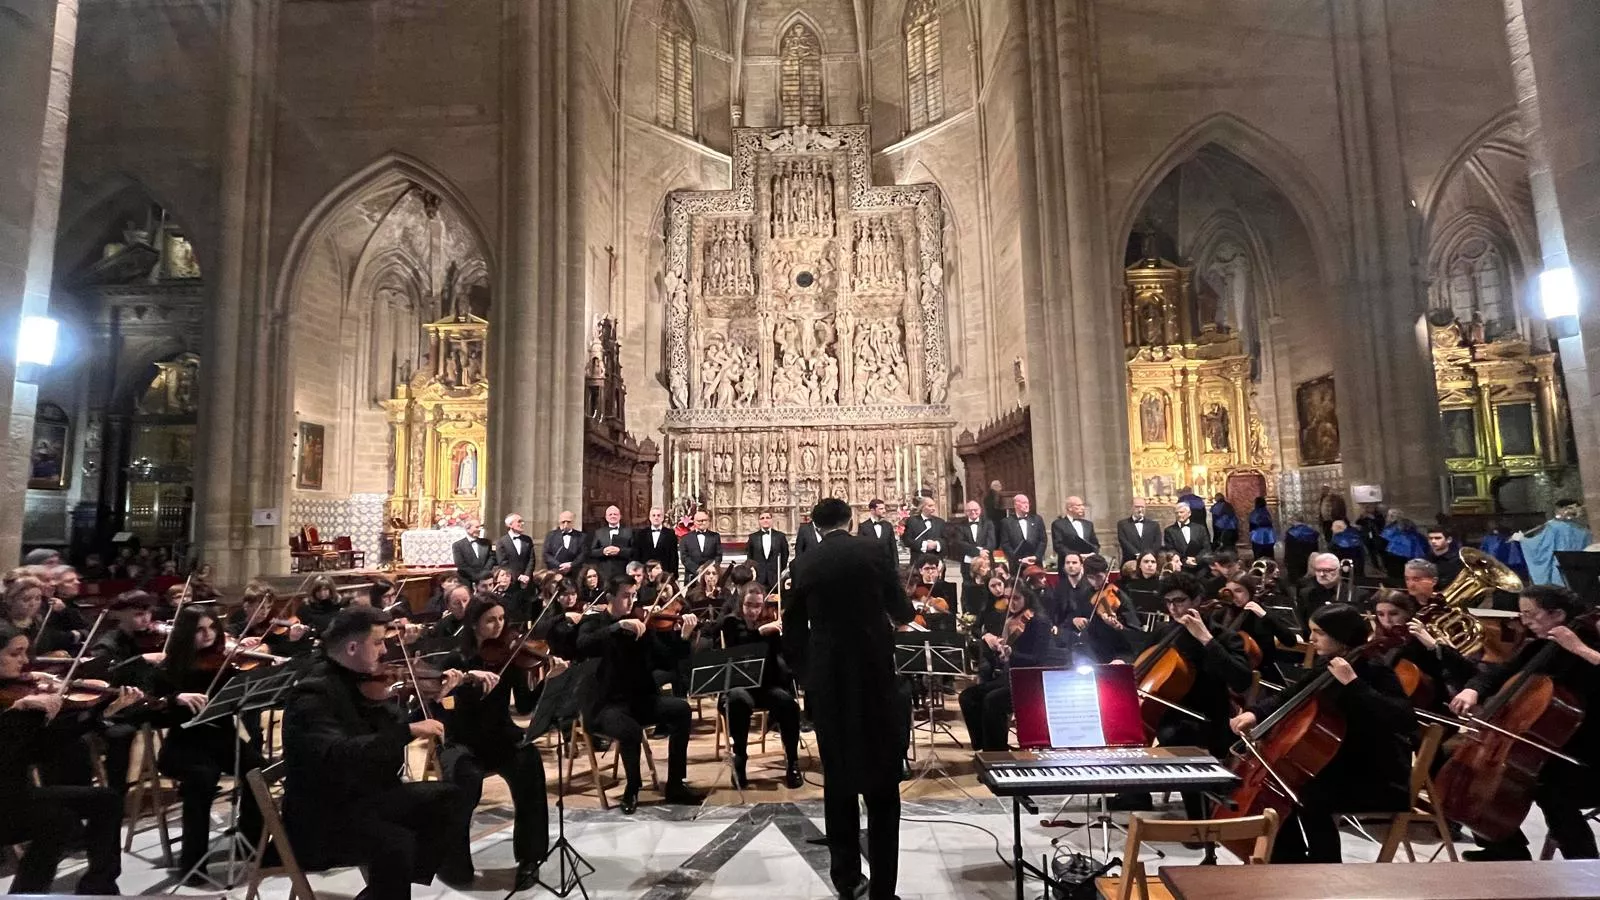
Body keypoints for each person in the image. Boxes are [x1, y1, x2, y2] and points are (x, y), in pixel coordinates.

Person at [282, 605, 474, 898]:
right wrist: (407, 731)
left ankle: (384, 890)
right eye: (378, 642)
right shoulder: (313, 693)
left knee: (449, 797)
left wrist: (425, 702)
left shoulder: (363, 681)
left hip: (365, 798)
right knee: (397, 843)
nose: (385, 651)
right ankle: (388, 888)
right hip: (323, 817)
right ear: (352, 647)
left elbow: (389, 740)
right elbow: (338, 754)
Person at [783, 497, 913, 900]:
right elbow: (902, 609)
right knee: (882, 786)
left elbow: (792, 629)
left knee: (838, 782)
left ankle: (847, 881)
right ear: (850, 519)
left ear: (815, 526)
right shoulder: (873, 550)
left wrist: (808, 675)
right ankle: (885, 890)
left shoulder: (805, 562)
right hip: (874, 678)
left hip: (830, 683)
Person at [1229, 603, 1416, 863]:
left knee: (1307, 795)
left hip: (1375, 775)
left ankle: (1324, 866)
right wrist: (1256, 713)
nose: (1310, 639)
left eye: (1319, 633)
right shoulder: (1328, 663)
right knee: (1286, 788)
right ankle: (1289, 860)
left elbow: (1403, 719)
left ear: (1340, 635)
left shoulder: (1374, 669)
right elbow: (1291, 694)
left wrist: (1353, 683)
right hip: (1335, 766)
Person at [1450, 584, 1600, 860]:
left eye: (1530, 615)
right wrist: (1474, 689)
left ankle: (1585, 863)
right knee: (1456, 758)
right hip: (1552, 749)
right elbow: (1500, 673)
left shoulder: (1592, 643)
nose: (1524, 622)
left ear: (1557, 614)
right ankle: (1504, 848)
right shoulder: (1542, 647)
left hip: (1589, 754)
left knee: (1549, 787)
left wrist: (1578, 648)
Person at [0, 623, 136, 894]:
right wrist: (16, 712)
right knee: (57, 821)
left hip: (16, 794)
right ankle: (26, 894)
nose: (25, 661)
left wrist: (101, 715)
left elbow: (41, 750)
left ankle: (99, 887)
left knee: (106, 799)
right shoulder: (13, 703)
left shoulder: (15, 693)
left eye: (26, 652)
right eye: (16, 653)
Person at [1112, 572, 1252, 815]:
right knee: (1129, 724)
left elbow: (1241, 680)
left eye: (1179, 601)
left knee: (1180, 736)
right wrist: (1122, 665)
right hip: (1171, 713)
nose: (1173, 608)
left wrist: (1206, 640)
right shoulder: (1165, 633)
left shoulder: (1223, 636)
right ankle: (1134, 793)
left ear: (1197, 599)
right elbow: (1141, 664)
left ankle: (1200, 822)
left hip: (1211, 717)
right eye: (1168, 602)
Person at [148, 604, 266, 883]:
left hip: (222, 738)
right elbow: (150, 710)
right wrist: (174, 698)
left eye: (212, 627)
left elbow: (244, 694)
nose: (208, 634)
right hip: (184, 744)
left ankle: (252, 843)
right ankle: (193, 863)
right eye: (200, 630)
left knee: (256, 769)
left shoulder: (224, 663)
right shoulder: (168, 668)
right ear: (186, 633)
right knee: (201, 778)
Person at [437, 597, 548, 889]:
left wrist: (547, 679)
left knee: (529, 764)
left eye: (501, 619)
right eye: (490, 620)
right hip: (462, 740)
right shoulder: (455, 661)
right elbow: (440, 708)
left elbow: (524, 706)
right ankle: (453, 863)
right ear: (474, 623)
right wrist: (463, 684)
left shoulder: (509, 657)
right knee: (465, 779)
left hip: (500, 736)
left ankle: (530, 858)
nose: (499, 626)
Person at [574, 577, 702, 814]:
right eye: (626, 596)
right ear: (610, 597)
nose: (632, 601)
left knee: (681, 710)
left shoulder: (642, 624)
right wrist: (616, 628)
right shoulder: (594, 621)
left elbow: (665, 660)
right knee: (630, 730)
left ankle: (675, 785)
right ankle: (632, 787)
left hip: (639, 699)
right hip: (605, 705)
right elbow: (582, 645)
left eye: (634, 595)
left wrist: (682, 638)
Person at [960, 571, 1059, 751]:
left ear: (1027, 597)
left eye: (1016, 598)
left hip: (1030, 681)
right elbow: (1001, 658)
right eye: (1008, 598)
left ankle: (996, 751)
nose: (1011, 603)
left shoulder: (1039, 621)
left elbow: (1038, 659)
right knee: (968, 697)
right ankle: (984, 747)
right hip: (1009, 677)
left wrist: (1012, 653)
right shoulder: (1008, 620)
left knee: (992, 700)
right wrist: (994, 645)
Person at [716, 583, 804, 788]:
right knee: (739, 700)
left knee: (788, 705)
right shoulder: (731, 623)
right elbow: (737, 646)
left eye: (757, 606)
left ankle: (792, 761)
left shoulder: (770, 626)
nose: (753, 611)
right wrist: (761, 633)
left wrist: (785, 638)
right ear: (741, 603)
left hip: (765, 687)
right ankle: (740, 759)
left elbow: (779, 664)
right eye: (749, 605)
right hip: (738, 687)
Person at [1513, 500, 1592, 587]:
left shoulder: (1554, 527)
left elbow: (1541, 546)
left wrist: (1522, 540)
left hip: (1560, 567)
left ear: (1561, 509)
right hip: (1579, 568)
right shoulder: (1584, 530)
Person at [498, 512, 539, 622]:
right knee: (513, 611)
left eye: (522, 521)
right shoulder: (502, 542)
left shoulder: (527, 540)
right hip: (512, 582)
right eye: (519, 521)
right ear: (510, 525)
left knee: (527, 611)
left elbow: (531, 559)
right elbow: (503, 563)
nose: (522, 523)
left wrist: (526, 575)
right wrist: (518, 576)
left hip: (527, 581)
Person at [1295, 552, 1343, 637]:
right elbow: (1301, 623)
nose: (1322, 574)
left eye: (1327, 570)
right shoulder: (1305, 594)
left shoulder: (1357, 594)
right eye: (1318, 570)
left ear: (1339, 570)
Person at [950, 498, 997, 583]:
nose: (973, 512)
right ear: (966, 512)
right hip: (967, 563)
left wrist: (984, 553)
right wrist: (978, 552)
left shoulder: (988, 523)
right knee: (968, 588)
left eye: (975, 510)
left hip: (986, 562)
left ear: (980, 510)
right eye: (969, 510)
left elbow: (991, 541)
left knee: (987, 587)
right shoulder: (960, 525)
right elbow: (960, 543)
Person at [587, 504, 635, 584]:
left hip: (623, 570)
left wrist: (620, 551)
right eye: (610, 514)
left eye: (615, 514)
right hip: (604, 572)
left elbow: (634, 551)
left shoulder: (628, 532)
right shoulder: (599, 532)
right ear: (606, 517)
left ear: (620, 516)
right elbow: (592, 552)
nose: (613, 516)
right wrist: (603, 551)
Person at [1050, 495, 1099, 571]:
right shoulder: (1058, 524)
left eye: (1083, 505)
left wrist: (1092, 554)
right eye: (1079, 505)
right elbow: (1058, 546)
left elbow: (1095, 544)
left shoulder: (1088, 524)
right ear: (1069, 508)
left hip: (1088, 565)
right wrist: (1077, 556)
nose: (1082, 508)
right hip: (1068, 565)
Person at [745, 511, 791, 590]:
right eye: (762, 518)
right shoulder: (753, 537)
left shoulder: (780, 536)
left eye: (767, 518)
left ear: (772, 520)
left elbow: (785, 555)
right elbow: (750, 556)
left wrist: (779, 570)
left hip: (775, 577)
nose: (765, 520)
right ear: (759, 521)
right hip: (759, 577)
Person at [998, 493, 1046, 568]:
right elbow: (1005, 544)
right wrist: (1018, 559)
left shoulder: (1037, 519)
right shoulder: (1006, 522)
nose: (1027, 505)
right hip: (1016, 565)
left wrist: (1036, 557)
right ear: (1015, 505)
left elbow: (1043, 540)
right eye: (1023, 503)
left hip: (1035, 563)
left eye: (1027, 503)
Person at [632, 506, 680, 580]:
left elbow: (673, 555)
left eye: (658, 515)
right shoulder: (641, 533)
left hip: (664, 573)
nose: (656, 518)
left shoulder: (670, 534)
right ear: (650, 517)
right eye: (653, 515)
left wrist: (673, 575)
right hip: (645, 574)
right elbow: (637, 554)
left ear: (663, 518)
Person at [1379, 512, 1426, 581]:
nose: (1389, 518)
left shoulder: (1393, 537)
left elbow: (1385, 551)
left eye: (1392, 516)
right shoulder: (1419, 537)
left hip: (1396, 569)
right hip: (1415, 568)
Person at [1162, 503, 1209, 571]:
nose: (1179, 515)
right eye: (1176, 513)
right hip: (1181, 568)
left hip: (1200, 568)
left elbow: (1206, 548)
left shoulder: (1200, 528)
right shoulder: (1169, 531)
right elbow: (1171, 549)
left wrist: (1196, 559)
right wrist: (1185, 560)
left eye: (1181, 512)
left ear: (1189, 513)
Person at [540, 510, 585, 578]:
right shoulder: (551, 535)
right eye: (563, 522)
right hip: (555, 572)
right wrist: (560, 565)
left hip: (574, 574)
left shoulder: (582, 536)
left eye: (568, 522)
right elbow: (546, 554)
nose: (566, 524)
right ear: (559, 521)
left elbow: (583, 554)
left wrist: (571, 565)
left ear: (573, 522)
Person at [452, 519, 496, 588]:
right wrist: (476, 577)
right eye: (477, 527)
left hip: (485, 580)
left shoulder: (486, 542)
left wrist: (484, 574)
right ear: (467, 529)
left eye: (480, 527)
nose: (479, 529)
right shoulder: (458, 545)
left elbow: (491, 558)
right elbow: (461, 565)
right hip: (466, 580)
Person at [1117, 497, 1163, 563]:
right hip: (1130, 561)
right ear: (1131, 508)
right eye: (1137, 507)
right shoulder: (1122, 524)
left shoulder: (1154, 525)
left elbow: (1157, 543)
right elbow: (1123, 541)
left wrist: (1147, 556)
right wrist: (1137, 554)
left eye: (1142, 507)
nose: (1140, 510)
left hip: (1149, 562)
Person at [857, 498, 899, 569]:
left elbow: (893, 548)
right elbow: (861, 549)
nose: (884, 511)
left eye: (884, 508)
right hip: (871, 567)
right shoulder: (863, 526)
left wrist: (896, 567)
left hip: (887, 567)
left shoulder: (888, 526)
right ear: (872, 510)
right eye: (881, 509)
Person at [681, 510, 724, 575]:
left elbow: (718, 555)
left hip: (710, 574)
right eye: (699, 521)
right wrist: (697, 569)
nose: (702, 522)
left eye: (705, 520)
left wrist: (709, 569)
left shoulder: (715, 536)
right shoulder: (685, 538)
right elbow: (684, 557)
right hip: (692, 575)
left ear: (709, 521)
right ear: (694, 522)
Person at [1247, 497, 1275, 562]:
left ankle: (1259, 568)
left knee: (1258, 555)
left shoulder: (1254, 513)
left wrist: (1250, 535)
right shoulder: (1268, 512)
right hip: (1269, 535)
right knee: (1269, 554)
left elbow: (1252, 525)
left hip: (1257, 536)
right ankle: (1270, 568)